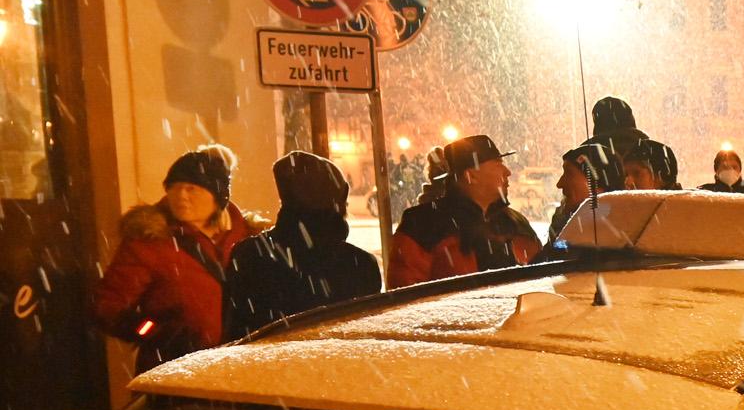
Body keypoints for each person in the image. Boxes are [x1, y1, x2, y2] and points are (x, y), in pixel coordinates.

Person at [94, 145, 257, 369]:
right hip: (175, 369)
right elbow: (107, 306)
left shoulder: (246, 236)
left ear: (217, 196)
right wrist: (153, 331)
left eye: (192, 189)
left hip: (238, 366)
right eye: (174, 187)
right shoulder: (150, 240)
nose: (181, 196)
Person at [223, 151, 382, 339]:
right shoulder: (360, 264)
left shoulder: (249, 255)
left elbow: (236, 334)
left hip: (267, 356)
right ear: (337, 204)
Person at [388, 134, 541, 288]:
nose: (507, 172)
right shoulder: (422, 224)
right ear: (471, 176)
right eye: (497, 164)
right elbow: (405, 294)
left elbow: (540, 277)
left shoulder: (515, 221)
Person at [548, 142, 615, 242]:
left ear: (597, 184)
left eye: (569, 174)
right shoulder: (561, 223)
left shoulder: (618, 235)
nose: (559, 184)